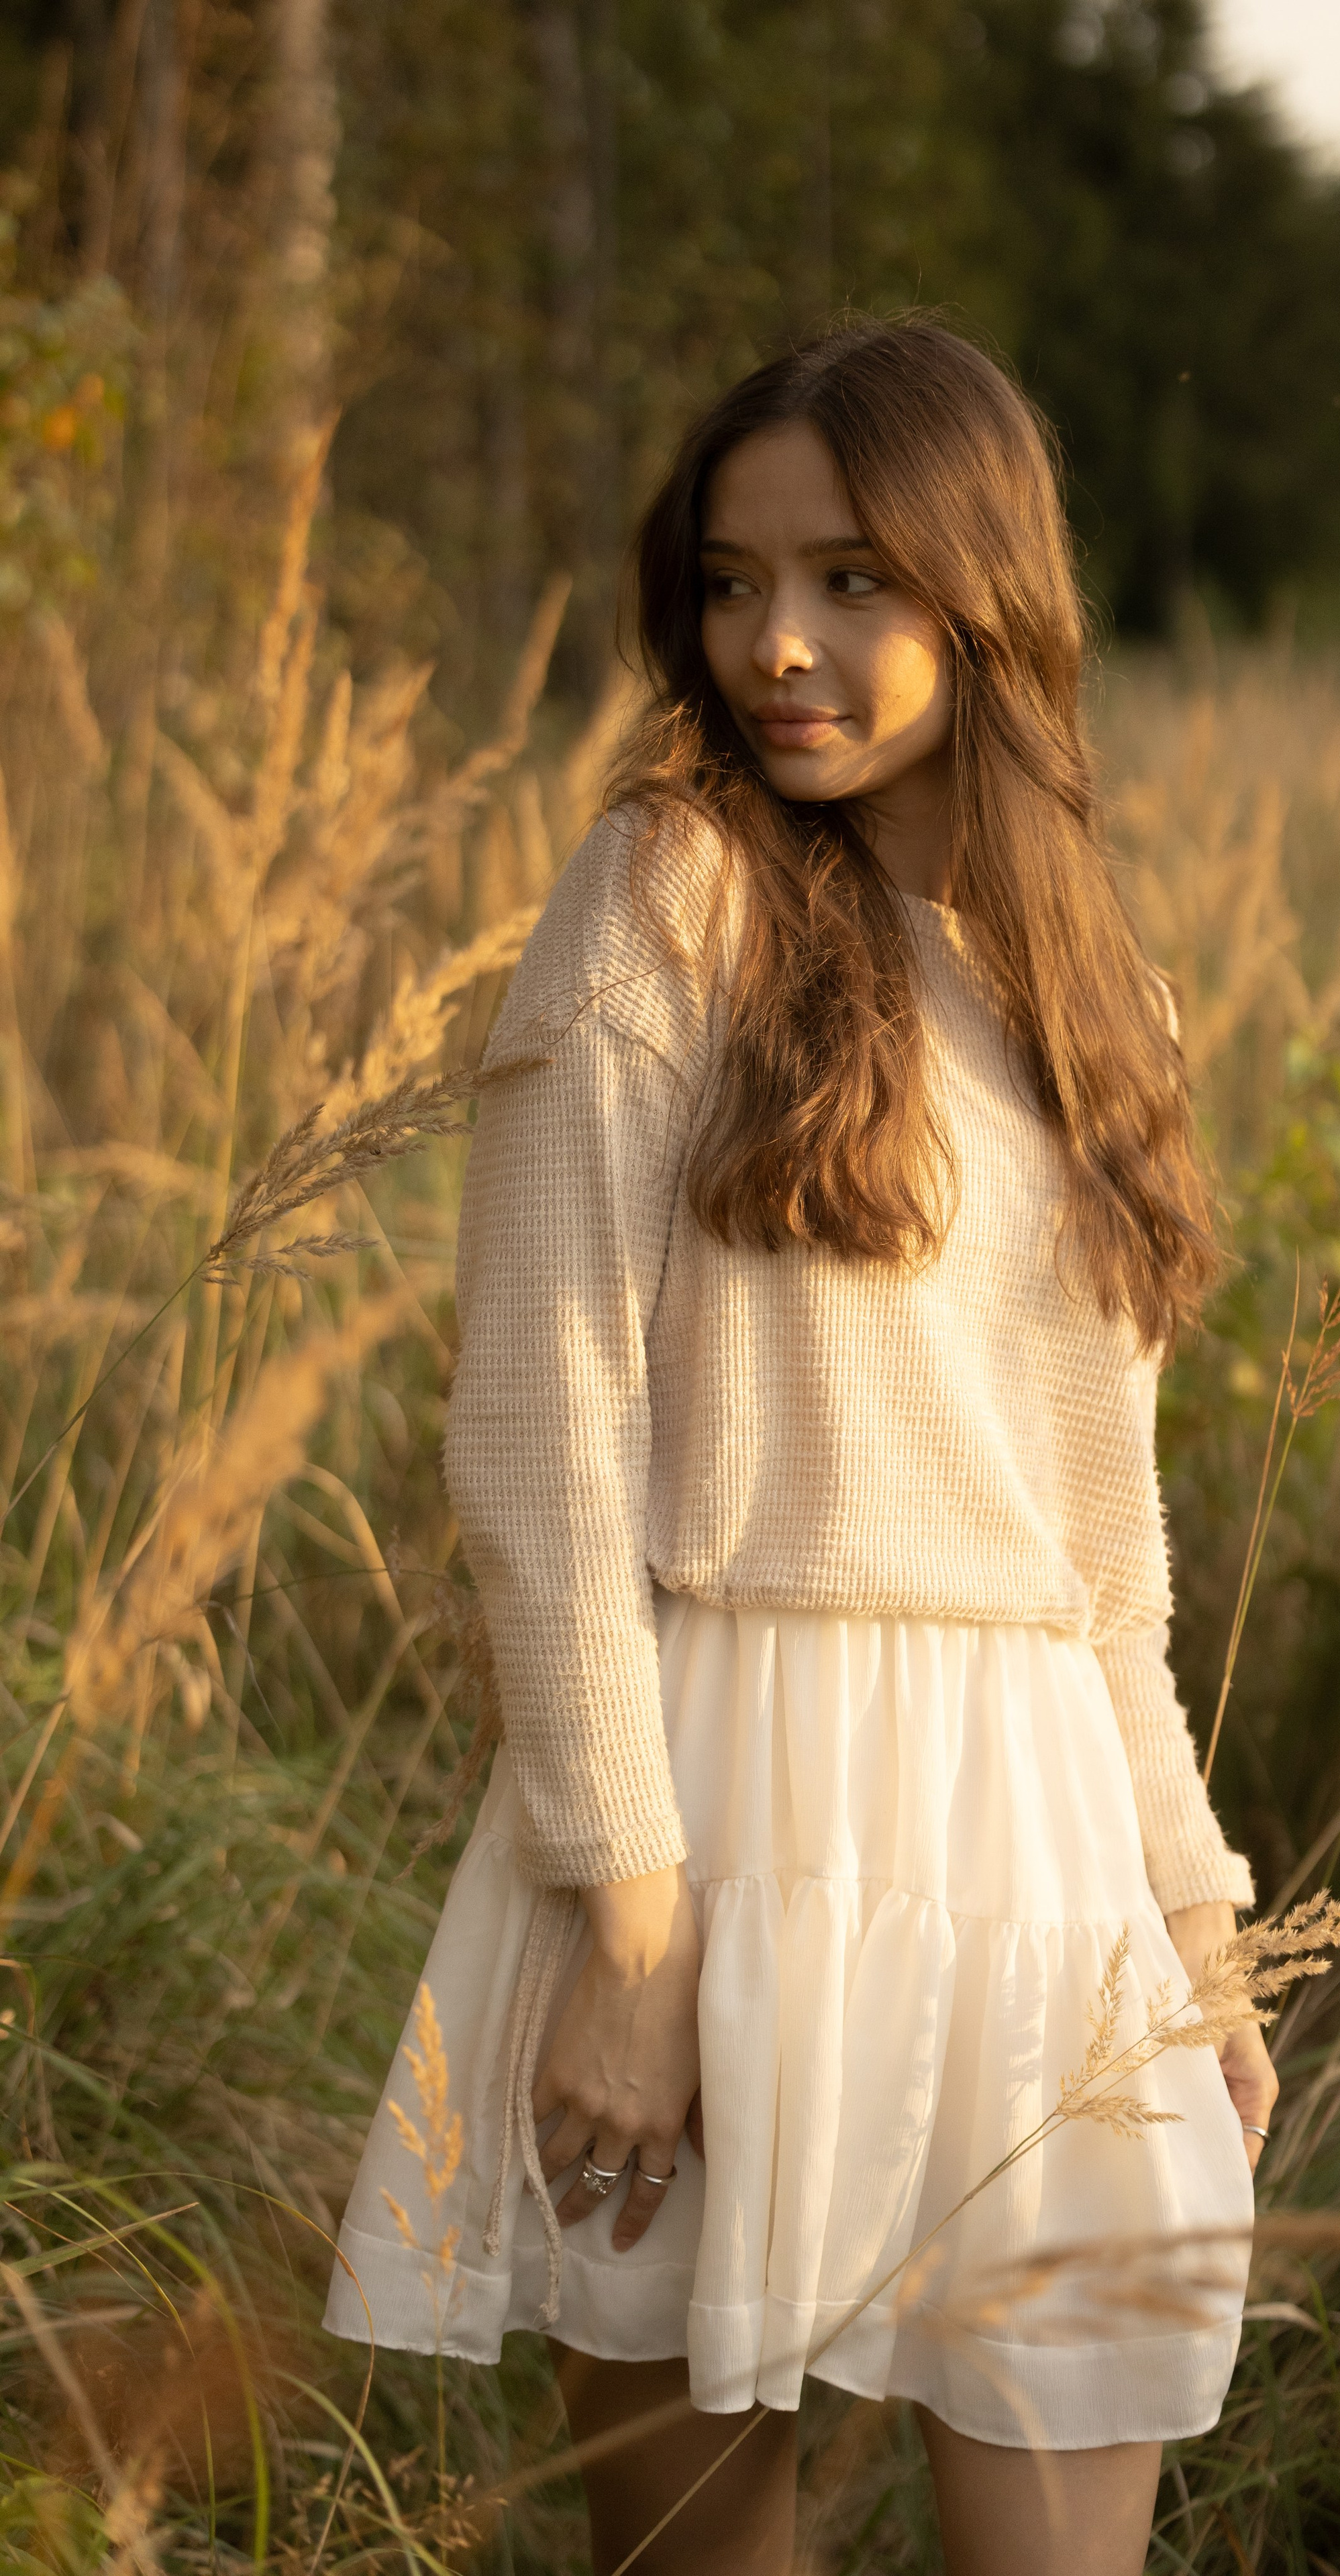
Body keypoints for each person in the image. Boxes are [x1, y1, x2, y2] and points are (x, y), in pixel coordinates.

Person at [324, 313, 1277, 2576]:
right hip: (704, 1816)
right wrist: (634, 1945)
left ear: (986, 593)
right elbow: (540, 1456)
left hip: (1037, 1846)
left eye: (853, 580)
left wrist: (1199, 1906)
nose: (780, 645)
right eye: (737, 582)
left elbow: (1101, 1554)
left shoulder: (1100, 999)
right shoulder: (664, 896)